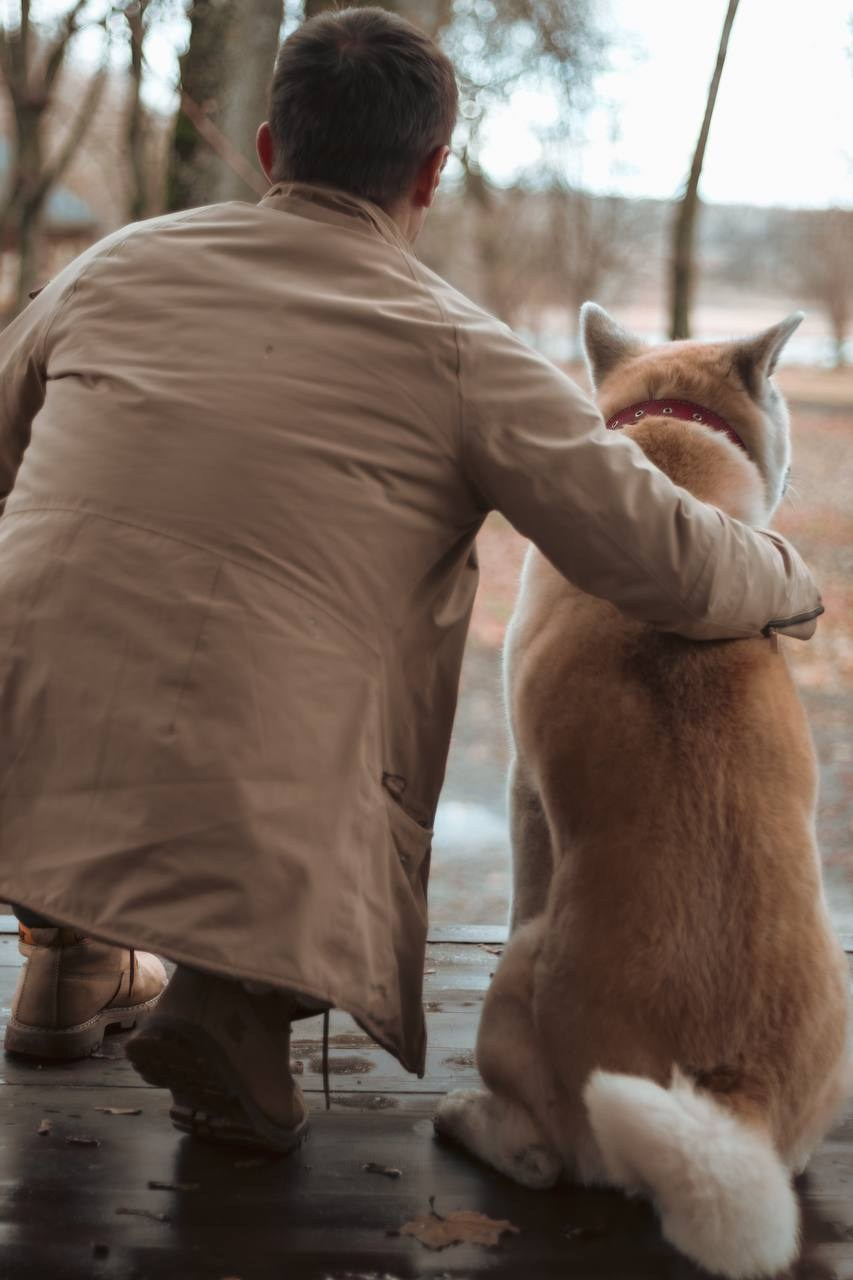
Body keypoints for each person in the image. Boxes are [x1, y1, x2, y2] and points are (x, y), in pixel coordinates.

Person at [0, 7, 822, 1154]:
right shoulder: (464, 351)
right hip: (260, 792)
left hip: (21, 733)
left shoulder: (113, 265)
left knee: (72, 611)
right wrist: (790, 579)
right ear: (432, 172)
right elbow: (663, 556)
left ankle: (66, 956)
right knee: (289, 686)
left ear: (269, 148)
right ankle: (234, 1004)